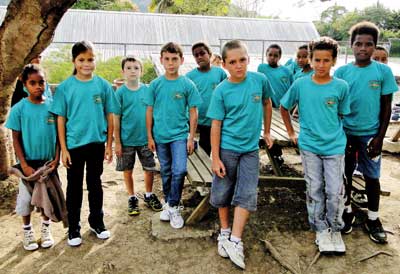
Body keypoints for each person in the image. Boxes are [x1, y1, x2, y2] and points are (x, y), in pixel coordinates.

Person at [207, 40, 273, 269]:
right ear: (224, 64)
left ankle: (236, 240)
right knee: (223, 190)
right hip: (227, 150)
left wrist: (267, 131)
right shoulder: (221, 90)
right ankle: (224, 232)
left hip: (250, 150)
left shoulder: (260, 81)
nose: (239, 66)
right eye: (232, 62)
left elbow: (267, 102)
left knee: (247, 193)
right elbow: (215, 125)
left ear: (249, 59)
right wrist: (215, 158)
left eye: (242, 60)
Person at [281, 37, 350, 255]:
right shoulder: (301, 84)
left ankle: (335, 227)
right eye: (317, 60)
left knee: (334, 190)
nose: (321, 65)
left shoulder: (341, 86)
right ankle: (320, 228)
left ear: (334, 61)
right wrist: (291, 132)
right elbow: (284, 107)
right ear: (310, 60)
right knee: (315, 188)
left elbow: (340, 114)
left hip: (335, 148)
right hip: (309, 146)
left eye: (326, 60)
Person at [334, 22, 398, 244]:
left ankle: (373, 218)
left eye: (368, 44)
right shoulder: (342, 72)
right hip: (346, 134)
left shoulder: (383, 71)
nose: (363, 48)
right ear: (351, 46)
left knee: (372, 177)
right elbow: (336, 106)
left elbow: (387, 106)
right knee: (345, 174)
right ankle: (347, 211)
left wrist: (380, 137)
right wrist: (342, 136)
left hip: (371, 135)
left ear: (375, 46)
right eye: (358, 44)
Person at [50, 41, 118, 247]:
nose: (86, 64)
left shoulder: (103, 86)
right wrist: (63, 149)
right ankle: (73, 228)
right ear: (74, 61)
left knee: (95, 184)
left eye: (90, 59)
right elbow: (60, 119)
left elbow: (110, 115)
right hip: (74, 146)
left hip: (97, 143)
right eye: (81, 60)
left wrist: (109, 144)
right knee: (74, 187)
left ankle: (97, 222)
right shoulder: (65, 88)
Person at [144, 42, 202, 229]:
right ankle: (169, 204)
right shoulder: (155, 85)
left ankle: (174, 205)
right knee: (166, 171)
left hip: (179, 136)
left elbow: (194, 112)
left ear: (181, 60)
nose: (170, 63)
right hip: (160, 137)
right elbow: (149, 111)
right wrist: (150, 137)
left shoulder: (187, 84)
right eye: (167, 59)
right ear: (161, 60)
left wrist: (191, 137)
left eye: (174, 59)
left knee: (179, 170)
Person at [6, 64, 60, 251]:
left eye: (41, 82)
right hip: (28, 165)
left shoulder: (53, 107)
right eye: (33, 83)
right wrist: (24, 164)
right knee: (25, 200)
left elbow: (60, 136)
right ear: (24, 84)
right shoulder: (19, 109)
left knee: (48, 198)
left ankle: (46, 229)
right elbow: (15, 138)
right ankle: (27, 231)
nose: (38, 86)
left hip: (48, 164)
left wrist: (57, 158)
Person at [113, 56, 162, 216]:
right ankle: (132, 197)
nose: (132, 71)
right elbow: (116, 118)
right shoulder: (120, 93)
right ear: (123, 71)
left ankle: (148, 195)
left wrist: (152, 136)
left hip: (145, 139)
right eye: (128, 68)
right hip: (127, 140)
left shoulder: (147, 90)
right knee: (127, 170)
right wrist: (117, 142)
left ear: (141, 71)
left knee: (149, 168)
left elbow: (153, 113)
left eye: (136, 68)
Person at [186, 42, 227, 155]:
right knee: (202, 152)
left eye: (202, 53)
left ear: (209, 54)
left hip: (216, 119)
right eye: (196, 55)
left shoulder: (220, 73)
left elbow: (227, 93)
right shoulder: (190, 77)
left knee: (220, 151)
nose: (199, 57)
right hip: (199, 121)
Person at [257, 44, 293, 108]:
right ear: (266, 55)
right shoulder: (262, 68)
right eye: (270, 55)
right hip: (269, 106)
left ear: (280, 57)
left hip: (284, 106)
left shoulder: (286, 71)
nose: (272, 57)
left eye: (275, 56)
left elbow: (292, 89)